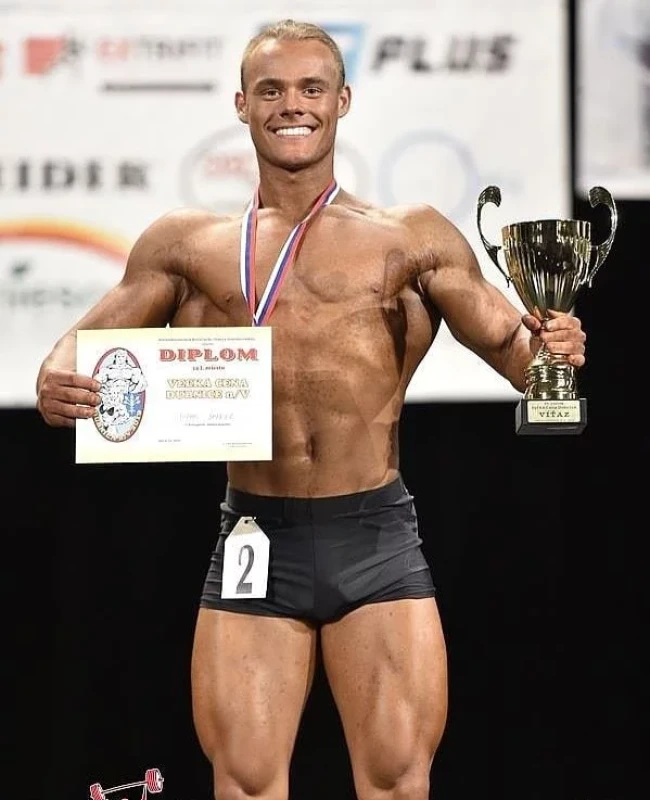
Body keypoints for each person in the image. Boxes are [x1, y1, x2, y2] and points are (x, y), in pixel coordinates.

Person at [35, 19, 586, 800]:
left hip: (375, 538)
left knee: (398, 782)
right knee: (246, 784)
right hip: (256, 538)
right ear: (242, 105)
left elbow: (515, 352)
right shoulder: (187, 245)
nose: (291, 105)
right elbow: (78, 346)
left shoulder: (411, 237)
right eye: (271, 90)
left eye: (310, 88)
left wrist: (553, 350)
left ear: (342, 101)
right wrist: (56, 378)